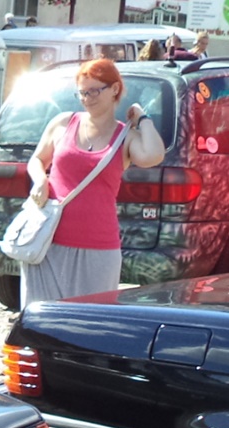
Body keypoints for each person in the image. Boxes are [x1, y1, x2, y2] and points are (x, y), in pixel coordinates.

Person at [20, 58, 165, 307]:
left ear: (115, 89)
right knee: (41, 324)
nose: (87, 98)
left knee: (90, 325)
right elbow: (37, 159)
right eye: (82, 93)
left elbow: (153, 155)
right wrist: (40, 180)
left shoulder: (125, 137)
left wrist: (143, 118)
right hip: (47, 241)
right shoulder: (63, 123)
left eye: (95, 91)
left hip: (98, 248)